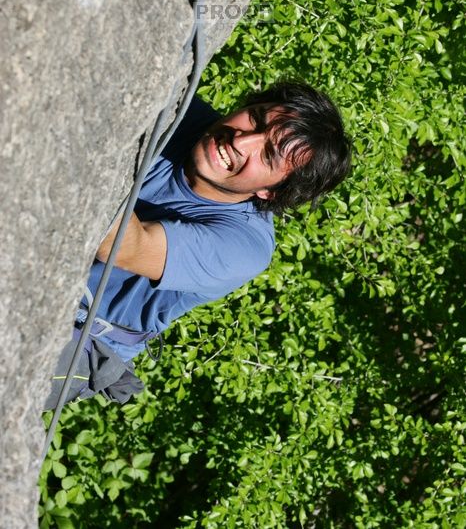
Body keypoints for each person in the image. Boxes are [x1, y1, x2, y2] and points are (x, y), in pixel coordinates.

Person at [44, 81, 351, 409]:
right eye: (257, 119)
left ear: (271, 191)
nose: (241, 140)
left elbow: (120, 245)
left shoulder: (244, 247)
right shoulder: (181, 109)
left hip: (87, 333)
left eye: (267, 154)